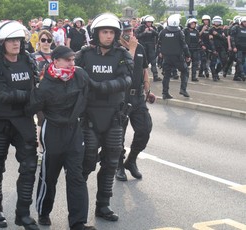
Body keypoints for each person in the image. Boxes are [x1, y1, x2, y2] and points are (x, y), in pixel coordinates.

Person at [26, 46, 95, 230]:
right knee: (49, 175)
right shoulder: (45, 84)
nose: (72, 63)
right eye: (68, 60)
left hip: (73, 131)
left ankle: (78, 222)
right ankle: (43, 211)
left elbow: (91, 92)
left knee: (76, 176)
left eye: (73, 59)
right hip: (53, 132)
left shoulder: (80, 75)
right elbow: (31, 107)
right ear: (56, 61)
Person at [0, 20, 39, 230]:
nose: (16, 43)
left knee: (30, 167)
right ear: (1, 42)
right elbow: (3, 94)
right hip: (0, 123)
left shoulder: (28, 59)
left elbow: (37, 84)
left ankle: (23, 214)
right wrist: (32, 96)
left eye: (19, 39)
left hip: (23, 121)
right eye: (11, 40)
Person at [75, 13, 133, 221]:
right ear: (96, 33)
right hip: (88, 116)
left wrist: (100, 86)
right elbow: (71, 74)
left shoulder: (123, 55)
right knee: (87, 162)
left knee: (111, 162)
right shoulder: (83, 54)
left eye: (111, 32)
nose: (108, 36)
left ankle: (103, 205)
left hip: (113, 117)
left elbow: (126, 79)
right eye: (104, 32)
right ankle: (78, 209)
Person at [115, 20, 154, 181]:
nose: (129, 33)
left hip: (137, 96)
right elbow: (125, 67)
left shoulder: (139, 47)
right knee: (119, 135)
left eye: (131, 30)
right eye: (126, 30)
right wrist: (130, 48)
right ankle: (118, 165)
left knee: (145, 129)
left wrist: (148, 90)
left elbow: (144, 69)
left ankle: (131, 160)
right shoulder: (116, 50)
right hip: (121, 97)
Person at [30, 30, 53, 162]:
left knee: (51, 122)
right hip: (38, 92)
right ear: (39, 41)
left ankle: (49, 148)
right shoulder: (33, 56)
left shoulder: (56, 55)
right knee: (41, 120)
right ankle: (40, 150)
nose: (46, 43)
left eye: (48, 40)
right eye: (43, 40)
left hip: (54, 94)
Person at [157, 14, 191, 99]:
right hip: (177, 58)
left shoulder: (163, 32)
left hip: (166, 58)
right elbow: (184, 45)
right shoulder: (179, 32)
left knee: (166, 75)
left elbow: (158, 44)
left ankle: (165, 93)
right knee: (185, 71)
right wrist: (188, 55)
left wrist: (160, 53)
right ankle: (183, 89)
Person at [135, 15, 162, 82]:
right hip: (143, 47)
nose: (149, 23)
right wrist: (144, 32)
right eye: (148, 22)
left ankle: (155, 76)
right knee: (143, 62)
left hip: (151, 47)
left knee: (153, 62)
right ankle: (141, 77)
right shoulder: (140, 28)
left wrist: (153, 31)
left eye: (150, 22)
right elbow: (137, 36)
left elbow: (158, 35)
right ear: (145, 22)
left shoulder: (153, 28)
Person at [183, 18, 204, 82]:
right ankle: (185, 76)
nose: (193, 25)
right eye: (192, 24)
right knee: (186, 64)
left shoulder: (196, 31)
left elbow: (199, 39)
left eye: (194, 24)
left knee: (195, 63)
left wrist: (202, 45)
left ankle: (194, 77)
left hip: (195, 49)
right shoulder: (185, 31)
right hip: (187, 49)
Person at [209, 16, 227, 81]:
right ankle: (214, 75)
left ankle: (216, 72)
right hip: (213, 48)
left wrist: (216, 34)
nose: (217, 23)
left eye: (218, 22)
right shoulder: (211, 29)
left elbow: (224, 39)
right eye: (216, 22)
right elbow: (210, 40)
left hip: (221, 47)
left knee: (224, 61)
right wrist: (213, 50)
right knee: (213, 62)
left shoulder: (221, 30)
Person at [229, 16, 246, 81]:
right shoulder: (236, 28)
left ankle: (236, 76)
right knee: (239, 61)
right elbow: (232, 38)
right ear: (241, 22)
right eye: (244, 22)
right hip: (238, 48)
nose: (245, 23)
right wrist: (234, 47)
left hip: (244, 48)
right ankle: (242, 74)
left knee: (242, 61)